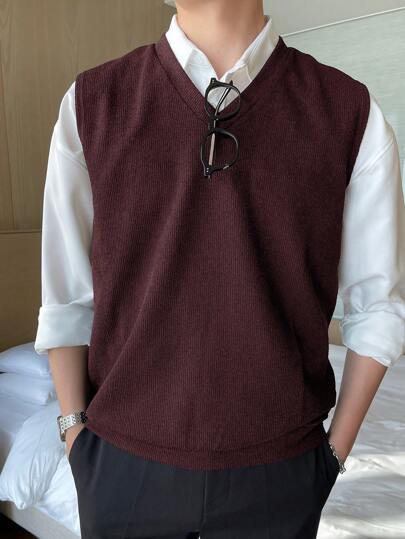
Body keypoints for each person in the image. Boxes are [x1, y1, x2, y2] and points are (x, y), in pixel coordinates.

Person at [34, 1, 405, 538]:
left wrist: (332, 457)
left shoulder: (349, 112)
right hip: (119, 467)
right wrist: (75, 437)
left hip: (283, 471)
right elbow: (67, 299)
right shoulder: (93, 103)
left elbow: (378, 308)